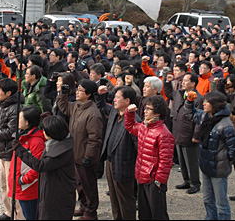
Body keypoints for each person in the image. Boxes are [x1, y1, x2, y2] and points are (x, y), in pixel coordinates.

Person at [187, 91, 235, 220]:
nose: (204, 104)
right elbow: (191, 114)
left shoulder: (225, 125)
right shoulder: (206, 117)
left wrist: (223, 160)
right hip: (206, 166)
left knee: (221, 203)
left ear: (215, 105)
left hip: (218, 169)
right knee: (207, 199)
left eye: (207, 102)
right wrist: (189, 101)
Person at [12, 115, 77, 220]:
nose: (43, 131)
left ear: (52, 133)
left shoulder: (61, 151)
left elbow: (41, 166)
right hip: (53, 191)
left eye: (45, 130)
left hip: (58, 196)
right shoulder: (57, 144)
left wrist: (20, 150)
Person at [57, 79, 103, 221]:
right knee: (79, 183)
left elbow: (94, 139)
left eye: (80, 90)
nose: (77, 92)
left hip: (85, 155)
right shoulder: (77, 105)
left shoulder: (93, 113)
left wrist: (88, 156)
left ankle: (91, 211)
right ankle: (83, 205)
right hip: (75, 152)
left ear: (88, 94)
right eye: (77, 90)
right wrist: (62, 94)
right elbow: (64, 107)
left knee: (88, 184)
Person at [125, 95, 175, 220]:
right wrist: (129, 113)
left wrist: (159, 181)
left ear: (157, 113)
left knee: (157, 213)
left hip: (153, 180)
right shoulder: (144, 126)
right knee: (144, 212)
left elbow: (166, 161)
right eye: (145, 108)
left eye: (148, 109)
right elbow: (131, 127)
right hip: (142, 176)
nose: (145, 111)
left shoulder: (163, 133)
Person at [100, 85, 139, 220]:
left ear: (127, 101)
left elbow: (138, 148)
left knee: (125, 200)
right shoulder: (114, 113)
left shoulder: (134, 120)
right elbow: (102, 106)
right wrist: (100, 95)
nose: (114, 100)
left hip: (124, 164)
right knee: (114, 199)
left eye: (117, 98)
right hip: (110, 161)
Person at [0, 78, 24, 220]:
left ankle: (19, 216)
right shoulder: (4, 105)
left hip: (10, 152)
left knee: (13, 188)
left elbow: (11, 132)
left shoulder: (15, 108)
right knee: (4, 185)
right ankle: (9, 211)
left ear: (8, 93)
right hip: (2, 151)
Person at [164, 72, 203, 194]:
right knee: (181, 159)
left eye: (186, 81)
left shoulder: (198, 98)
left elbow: (199, 120)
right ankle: (186, 180)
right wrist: (167, 82)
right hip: (178, 131)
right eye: (183, 80)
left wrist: (196, 136)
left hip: (189, 133)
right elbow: (169, 93)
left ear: (193, 83)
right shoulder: (179, 94)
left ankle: (195, 183)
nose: (183, 83)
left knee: (191, 160)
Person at [8, 105, 46, 220]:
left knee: (31, 216)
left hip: (28, 188)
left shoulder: (36, 142)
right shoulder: (24, 136)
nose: (17, 121)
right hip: (22, 186)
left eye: (20, 118)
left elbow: (38, 167)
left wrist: (23, 180)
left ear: (27, 122)